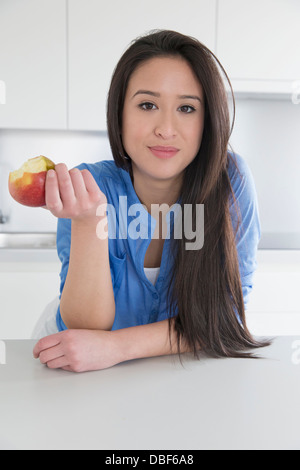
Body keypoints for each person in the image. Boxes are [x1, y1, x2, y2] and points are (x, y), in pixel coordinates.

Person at [33, 29, 270, 372]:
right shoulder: (91, 185)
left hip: (170, 371)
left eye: (187, 108)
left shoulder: (231, 182)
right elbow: (86, 331)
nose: (166, 128)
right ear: (119, 113)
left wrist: (118, 346)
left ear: (208, 121)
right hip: (82, 367)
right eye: (147, 105)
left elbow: (227, 315)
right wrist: (88, 222)